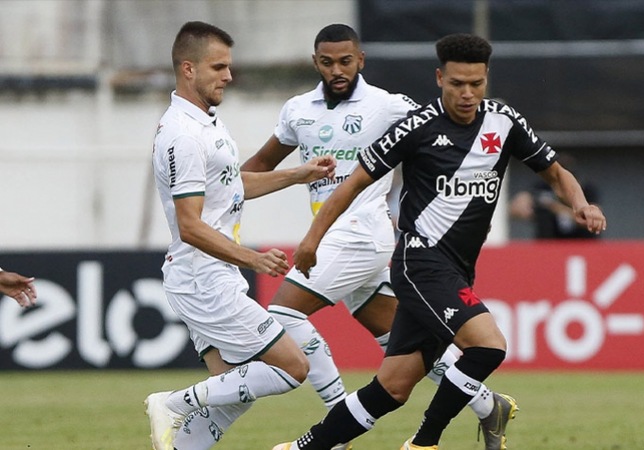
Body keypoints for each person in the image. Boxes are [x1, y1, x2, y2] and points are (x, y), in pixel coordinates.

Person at [272, 33, 606, 450]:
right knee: (489, 347)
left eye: (476, 84)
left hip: (457, 267)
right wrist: (311, 241)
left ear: (486, 79)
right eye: (457, 84)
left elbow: (555, 172)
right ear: (439, 78)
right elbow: (352, 184)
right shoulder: (416, 127)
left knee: (392, 388)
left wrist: (580, 203)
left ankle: (305, 447)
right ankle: (425, 443)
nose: (467, 94)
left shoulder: (503, 121)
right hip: (420, 263)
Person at [237, 24, 515, 450]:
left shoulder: (387, 106)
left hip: (364, 233)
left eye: (346, 61)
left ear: (360, 60)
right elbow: (254, 169)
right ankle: (485, 404)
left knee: (283, 314)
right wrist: (263, 180)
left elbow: (442, 133)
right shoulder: (297, 110)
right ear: (316, 63)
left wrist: (466, 197)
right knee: (404, 356)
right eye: (328, 62)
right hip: (336, 237)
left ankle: (332, 428)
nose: (337, 70)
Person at [144, 21, 336, 450]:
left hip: (209, 275)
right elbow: (190, 225)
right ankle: (173, 403)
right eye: (219, 67)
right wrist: (252, 259)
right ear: (188, 69)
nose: (228, 76)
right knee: (291, 367)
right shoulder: (183, 135)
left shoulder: (207, 124)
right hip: (203, 278)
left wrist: (297, 174)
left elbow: (232, 186)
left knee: (233, 390)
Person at [509, 153, 601, 239]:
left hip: (581, 242)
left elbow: (592, 221)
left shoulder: (586, 190)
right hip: (550, 243)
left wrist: (554, 207)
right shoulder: (543, 188)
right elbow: (515, 209)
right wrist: (530, 207)